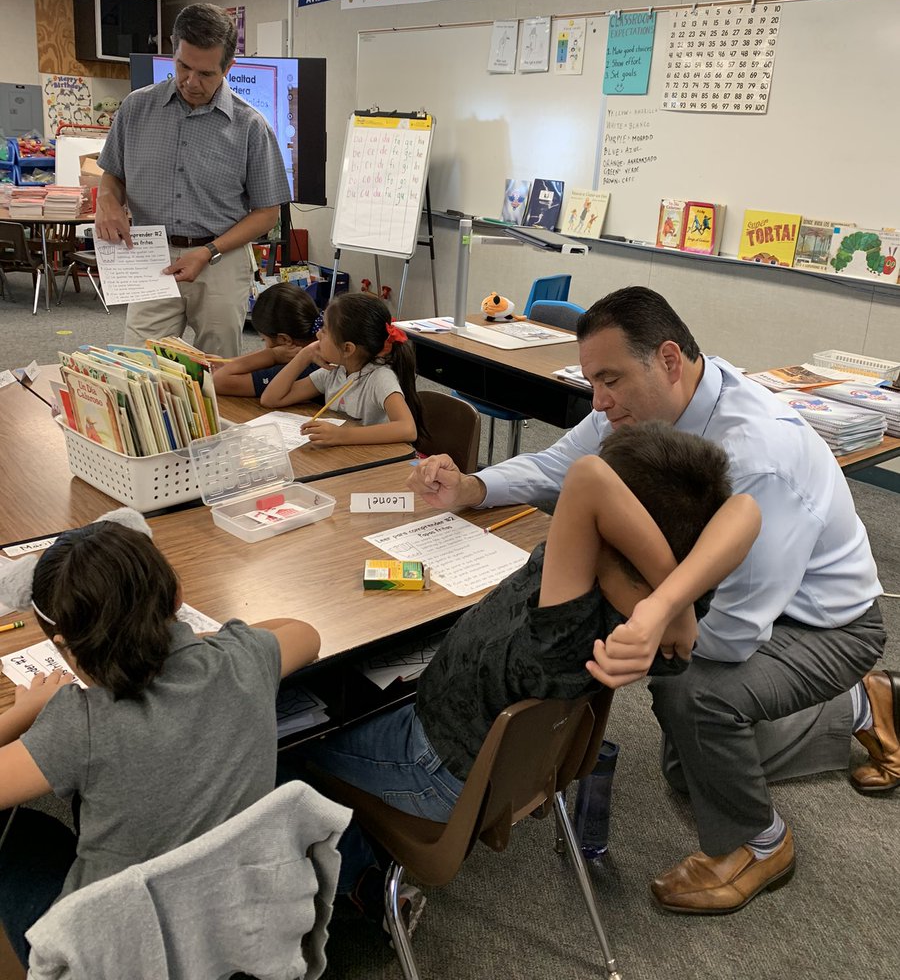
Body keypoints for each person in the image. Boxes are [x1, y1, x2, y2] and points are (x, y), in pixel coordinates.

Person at [408, 285, 893, 913]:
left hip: (822, 622)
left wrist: (647, 621)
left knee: (691, 694)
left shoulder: (757, 459)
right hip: (733, 600)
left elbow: (737, 632)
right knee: (684, 766)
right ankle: (861, 705)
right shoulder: (650, 404)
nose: (599, 402)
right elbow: (566, 467)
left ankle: (759, 842)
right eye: (593, 383)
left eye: (609, 380)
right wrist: (474, 486)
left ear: (668, 359)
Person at [298, 422, 760, 903]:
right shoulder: (687, 588)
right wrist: (672, 606)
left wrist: (664, 605)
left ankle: (361, 882)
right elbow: (745, 511)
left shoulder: (566, 620)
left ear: (602, 532)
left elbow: (588, 477)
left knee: (283, 745)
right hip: (496, 759)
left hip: (432, 762)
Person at [0, 515, 320, 966]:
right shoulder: (243, 658)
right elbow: (304, 632)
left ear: (64, 646)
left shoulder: (78, 723)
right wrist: (200, 643)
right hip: (234, 933)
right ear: (177, 597)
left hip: (115, 961)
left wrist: (23, 712)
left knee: (22, 831)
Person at [94, 3, 292, 358]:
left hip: (220, 256)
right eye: (183, 66)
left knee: (218, 370)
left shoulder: (250, 127)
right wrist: (107, 202)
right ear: (174, 51)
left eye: (206, 73)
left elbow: (266, 213)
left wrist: (208, 251)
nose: (191, 82)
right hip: (151, 255)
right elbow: (113, 174)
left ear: (228, 68)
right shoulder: (137, 108)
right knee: (138, 363)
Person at [261, 292, 422, 447]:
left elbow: (407, 429)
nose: (318, 335)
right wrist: (305, 355)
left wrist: (341, 435)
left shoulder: (380, 377)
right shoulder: (335, 371)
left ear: (347, 349)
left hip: (376, 463)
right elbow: (271, 399)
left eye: (324, 331)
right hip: (345, 457)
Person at [212, 283, 321, 398]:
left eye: (264, 340)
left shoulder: (305, 366)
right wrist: (227, 362)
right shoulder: (313, 343)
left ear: (284, 339)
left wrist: (272, 355)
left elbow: (219, 381)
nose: (265, 347)